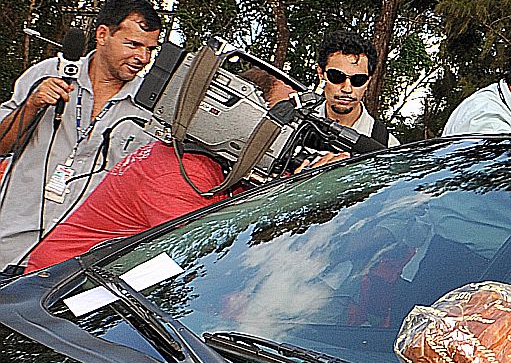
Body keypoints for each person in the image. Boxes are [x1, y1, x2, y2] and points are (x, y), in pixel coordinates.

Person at [24, 69, 344, 272]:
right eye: (281, 119)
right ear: (243, 120)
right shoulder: (181, 173)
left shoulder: (224, 165)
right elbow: (211, 263)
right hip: (57, 289)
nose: (289, 133)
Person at [0, 0, 163, 269]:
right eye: (133, 44)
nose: (142, 58)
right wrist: (31, 105)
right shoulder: (49, 72)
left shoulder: (152, 106)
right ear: (102, 35)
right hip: (9, 242)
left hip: (73, 268)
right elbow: (1, 145)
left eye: (150, 49)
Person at [315, 30, 399, 148]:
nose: (347, 88)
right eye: (337, 76)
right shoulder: (293, 124)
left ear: (368, 81)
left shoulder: (387, 145)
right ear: (320, 73)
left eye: (358, 80)